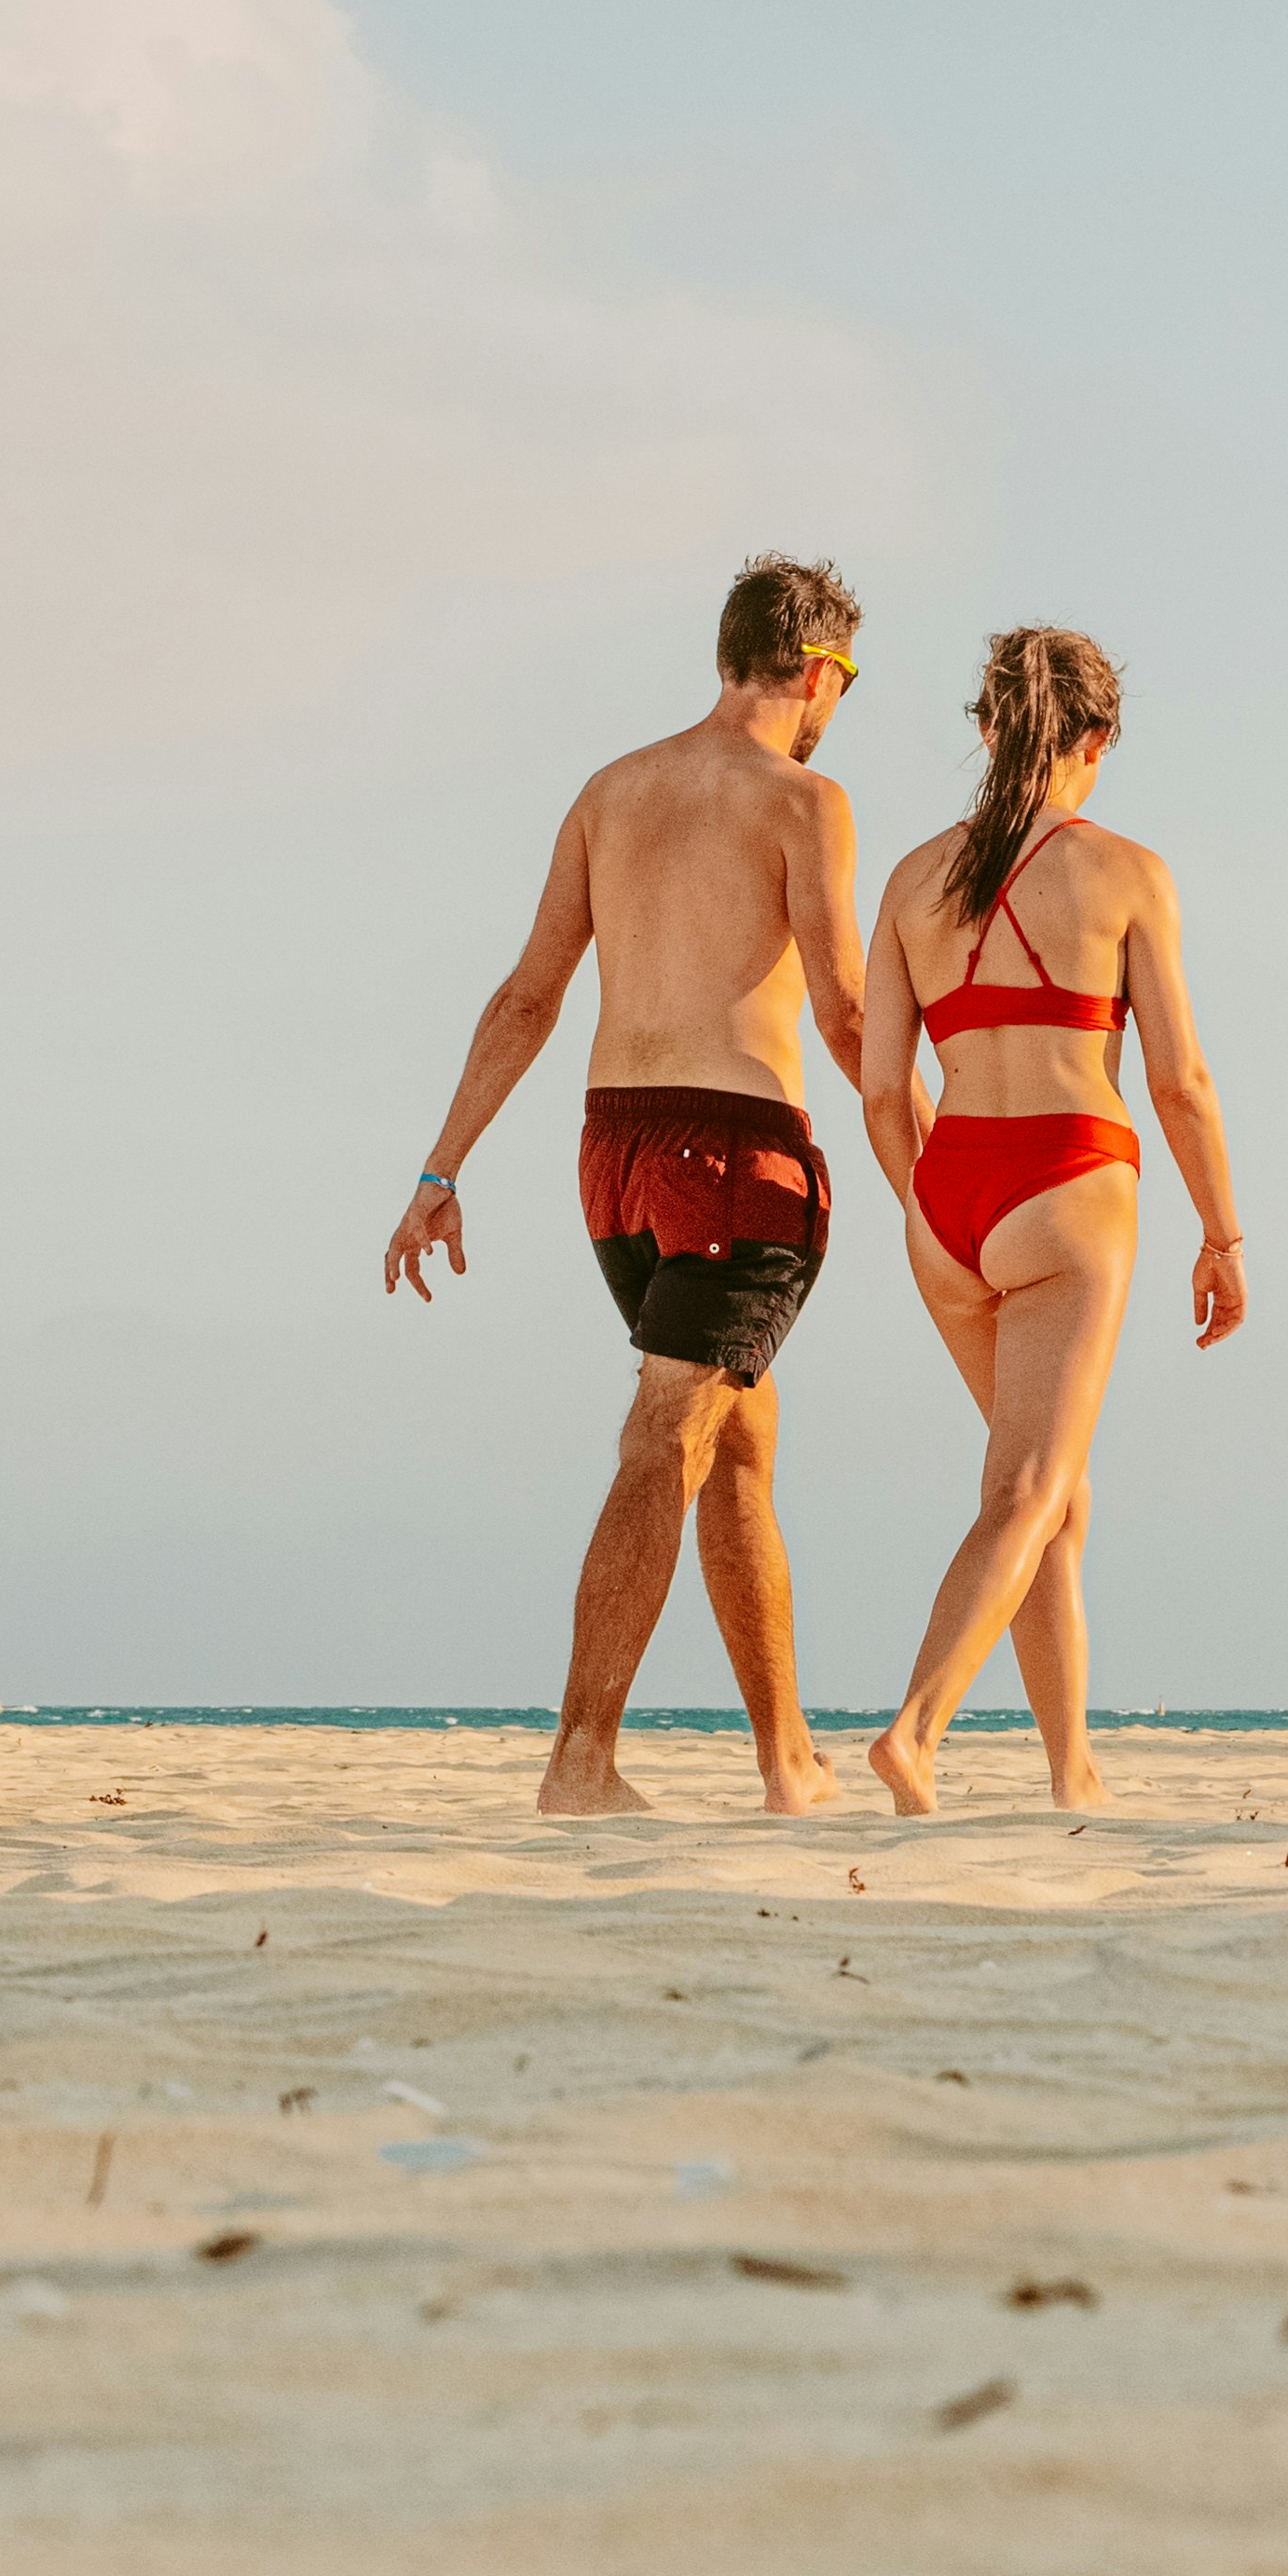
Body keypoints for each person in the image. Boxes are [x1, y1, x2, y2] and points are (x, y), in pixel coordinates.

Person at [383, 556, 869, 1819]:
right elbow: (849, 1009)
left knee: (736, 1435)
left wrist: (443, 1166)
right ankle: (581, 1760)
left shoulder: (613, 790)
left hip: (612, 1161)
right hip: (738, 1153)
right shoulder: (804, 801)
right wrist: (928, 1147)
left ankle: (786, 1760)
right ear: (818, 669)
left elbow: (529, 995)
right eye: (846, 680)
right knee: (668, 1435)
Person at [856, 620, 1242, 1818]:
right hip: (1070, 1182)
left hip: (946, 1195)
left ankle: (1073, 1769)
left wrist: (933, 1206)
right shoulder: (1124, 871)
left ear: (985, 729)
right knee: (1027, 1486)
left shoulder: (914, 878)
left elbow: (878, 1088)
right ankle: (914, 1730)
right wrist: (1222, 1234)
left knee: (1050, 1495)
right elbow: (1179, 1080)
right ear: (1099, 737)